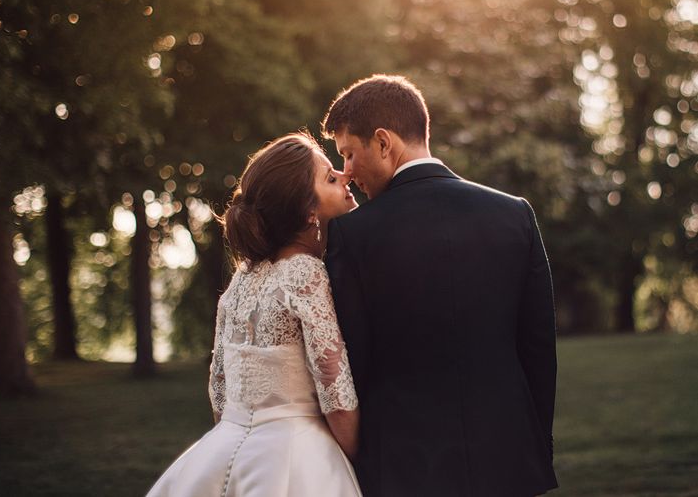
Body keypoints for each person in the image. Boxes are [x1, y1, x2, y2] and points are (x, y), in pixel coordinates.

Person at [322, 75, 558, 497]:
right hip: (507, 456)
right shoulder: (513, 214)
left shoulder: (351, 235)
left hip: (402, 466)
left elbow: (353, 360)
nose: (348, 173)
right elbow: (538, 347)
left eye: (349, 154)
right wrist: (535, 443)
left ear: (383, 142)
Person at [146, 133, 362, 497]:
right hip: (295, 457)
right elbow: (336, 394)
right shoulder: (305, 273)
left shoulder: (241, 280)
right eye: (329, 177)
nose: (346, 177)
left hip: (222, 449)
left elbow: (219, 390)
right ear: (308, 211)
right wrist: (356, 462)